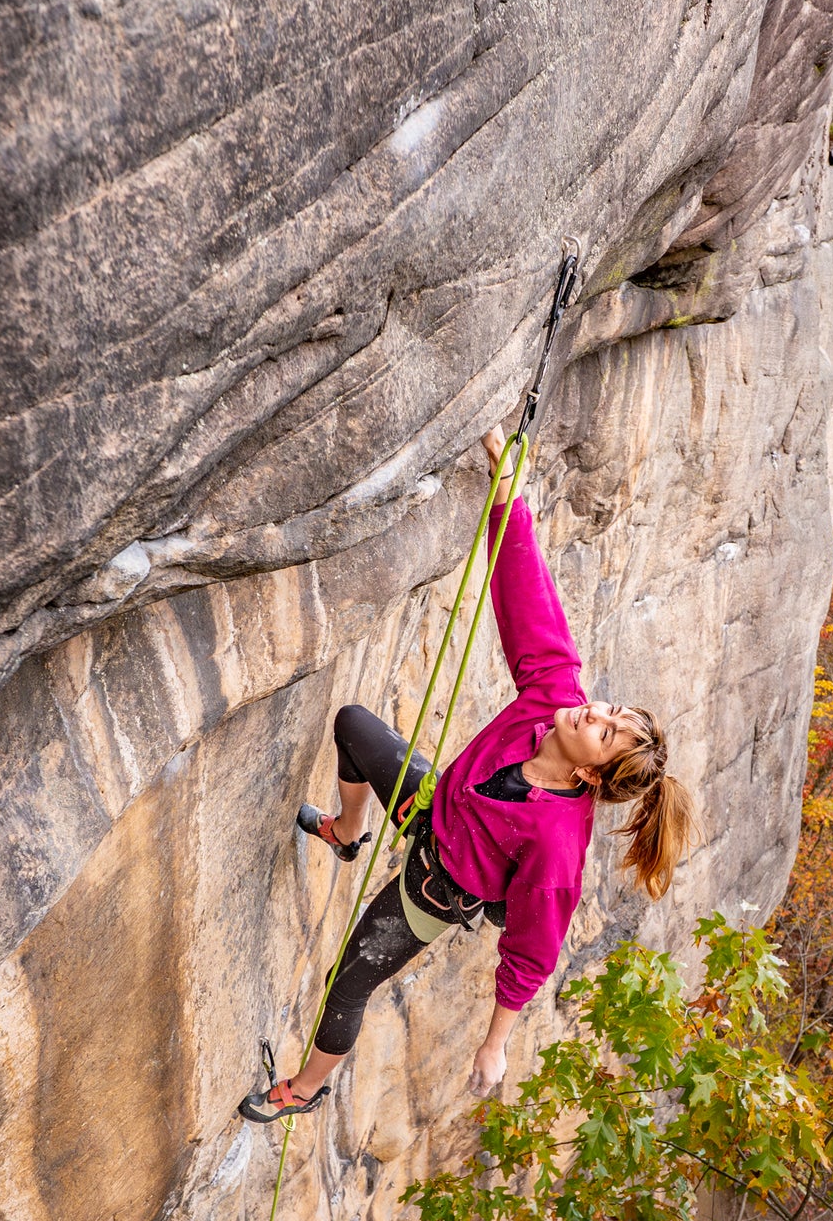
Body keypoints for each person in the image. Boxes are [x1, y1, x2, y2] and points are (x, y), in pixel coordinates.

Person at [239, 422, 698, 1122]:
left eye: (604, 729)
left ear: (594, 779)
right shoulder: (555, 694)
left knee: (348, 982)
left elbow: (532, 949)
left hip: (438, 889)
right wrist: (507, 492)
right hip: (432, 809)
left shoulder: (557, 844)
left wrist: (495, 1045)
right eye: (610, 708)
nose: (593, 712)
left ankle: (305, 1088)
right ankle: (347, 830)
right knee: (353, 727)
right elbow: (526, 599)